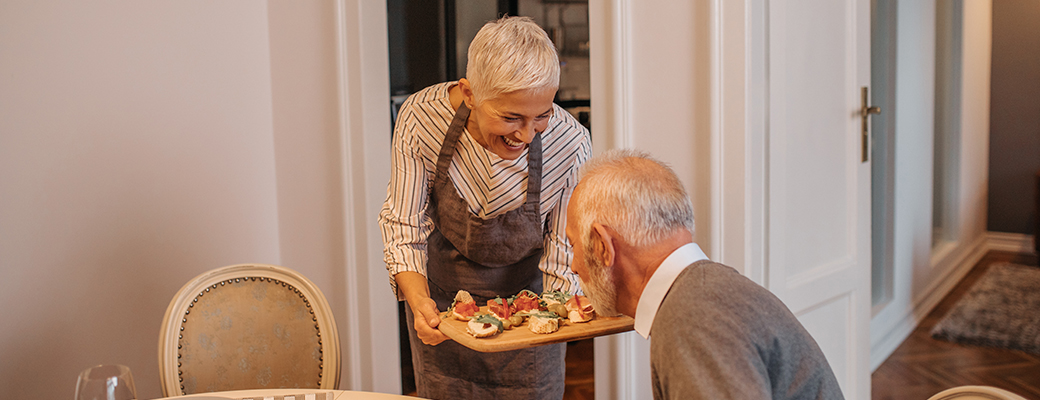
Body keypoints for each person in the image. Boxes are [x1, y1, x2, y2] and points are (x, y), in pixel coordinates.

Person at [378, 16, 591, 399]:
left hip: (532, 318)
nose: (526, 135)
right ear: (470, 92)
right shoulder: (421, 120)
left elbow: (562, 252)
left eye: (541, 115)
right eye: (510, 117)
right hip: (443, 313)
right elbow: (403, 224)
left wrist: (551, 319)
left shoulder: (569, 143)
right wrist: (419, 303)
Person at [565, 149, 845, 400]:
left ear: (603, 246)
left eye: (573, 245)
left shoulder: (690, 318)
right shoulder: (705, 291)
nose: (574, 266)